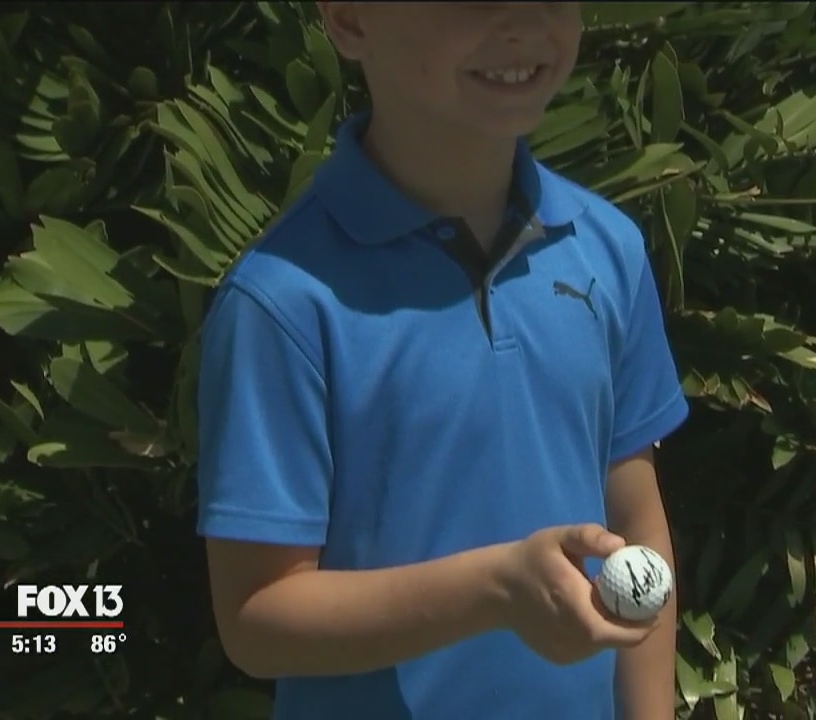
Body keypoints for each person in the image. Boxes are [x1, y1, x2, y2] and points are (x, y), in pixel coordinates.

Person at [194, 3, 689, 718]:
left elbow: (636, 527)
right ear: (350, 20)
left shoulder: (606, 248)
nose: (522, 22)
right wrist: (495, 590)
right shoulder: (284, 302)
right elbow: (256, 619)